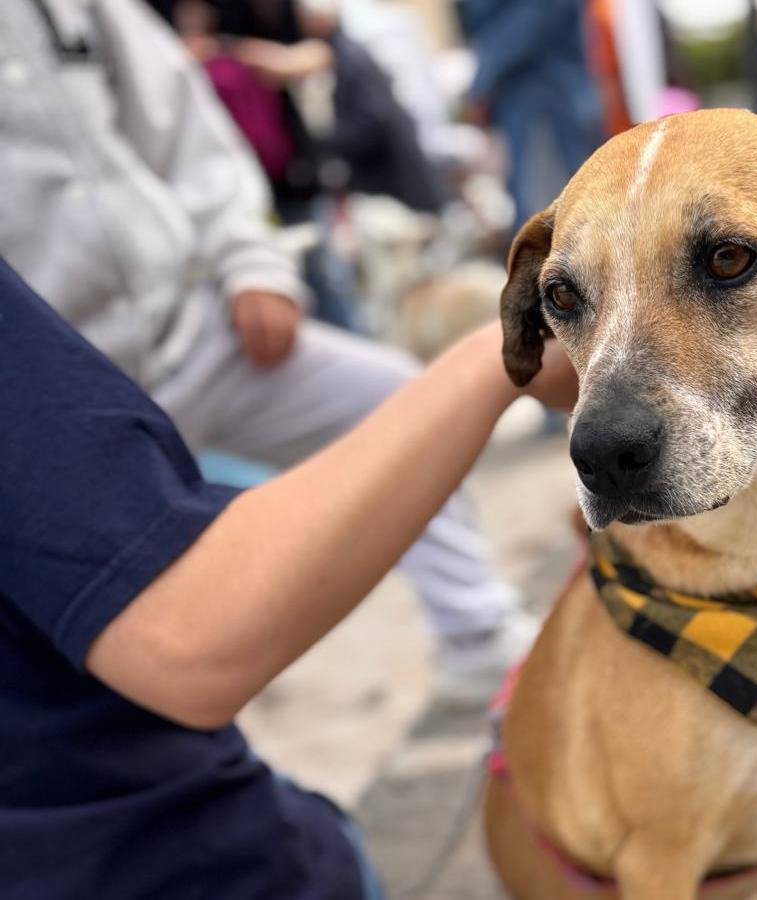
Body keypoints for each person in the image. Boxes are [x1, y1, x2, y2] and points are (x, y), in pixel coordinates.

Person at [0, 0, 533, 700]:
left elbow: (194, 141)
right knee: (134, 648)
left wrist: (254, 264)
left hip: (191, 330)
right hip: (46, 398)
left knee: (394, 400)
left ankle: (476, 634)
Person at [0, 260, 576, 899]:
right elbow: (184, 636)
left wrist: (253, 265)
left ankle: (477, 632)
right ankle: (480, 635)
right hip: (174, 861)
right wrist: (498, 359)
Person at [458, 0, 606, 230]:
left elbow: (536, 16)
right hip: (525, 97)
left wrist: (482, 81)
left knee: (563, 224)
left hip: (547, 97)